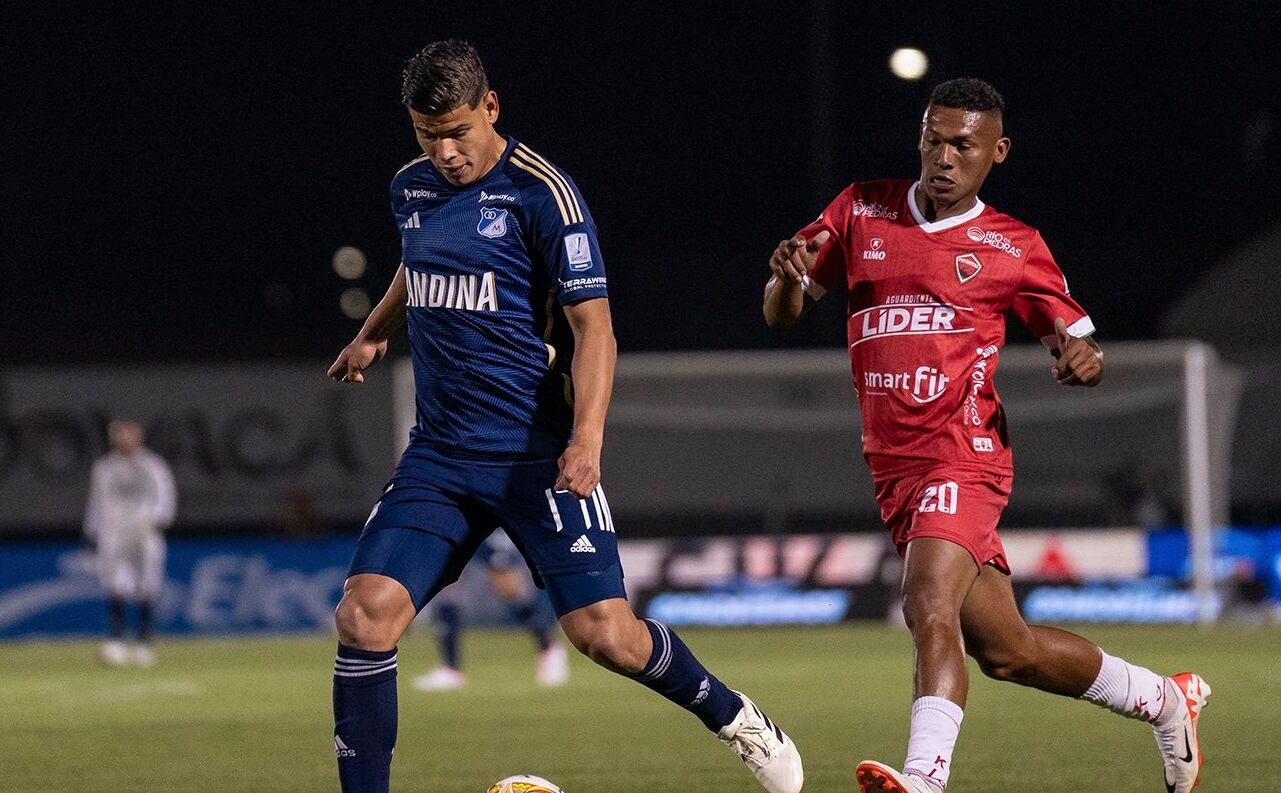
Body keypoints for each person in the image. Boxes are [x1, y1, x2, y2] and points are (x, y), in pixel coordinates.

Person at [327, 40, 802, 793]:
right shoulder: (410, 187)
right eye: (427, 136)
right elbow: (418, 263)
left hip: (537, 453)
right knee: (363, 616)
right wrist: (373, 331)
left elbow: (595, 328)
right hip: (440, 455)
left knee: (605, 635)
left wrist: (586, 440)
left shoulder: (544, 193)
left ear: (491, 107)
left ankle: (733, 714)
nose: (445, 153)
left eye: (457, 133)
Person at [763, 78, 1209, 793]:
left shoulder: (1012, 245)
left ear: (996, 152)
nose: (943, 158)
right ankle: (1164, 700)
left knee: (926, 604)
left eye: (962, 146)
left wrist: (1082, 359)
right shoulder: (860, 210)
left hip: (963, 455)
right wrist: (786, 278)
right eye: (932, 140)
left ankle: (925, 778)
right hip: (894, 468)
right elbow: (781, 313)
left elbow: (1078, 344)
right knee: (1008, 651)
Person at [413, 529, 569, 691]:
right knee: (447, 582)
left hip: (488, 524)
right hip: (459, 521)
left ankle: (548, 647)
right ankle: (451, 668)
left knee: (508, 587)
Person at [83, 419, 176, 667]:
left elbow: (165, 495)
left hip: (144, 533)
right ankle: (116, 640)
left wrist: (158, 521)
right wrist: (91, 533)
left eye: (129, 435)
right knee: (115, 585)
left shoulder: (153, 465)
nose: (125, 441)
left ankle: (144, 641)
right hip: (113, 533)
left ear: (138, 438)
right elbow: (96, 502)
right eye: (120, 436)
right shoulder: (104, 467)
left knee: (147, 585)